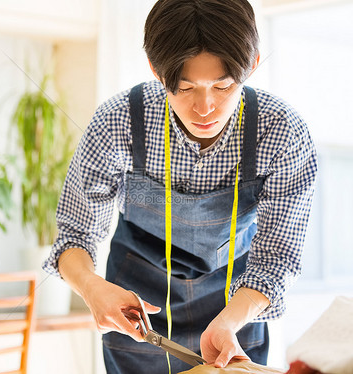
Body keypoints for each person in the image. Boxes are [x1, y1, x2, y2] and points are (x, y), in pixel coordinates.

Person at [43, 0, 318, 373]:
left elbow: (276, 261)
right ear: (157, 71)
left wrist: (229, 321)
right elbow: (75, 236)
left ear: (252, 65)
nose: (205, 107)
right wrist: (92, 288)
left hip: (235, 313)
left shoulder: (282, 132)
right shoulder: (118, 122)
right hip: (136, 315)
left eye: (222, 86)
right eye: (186, 88)